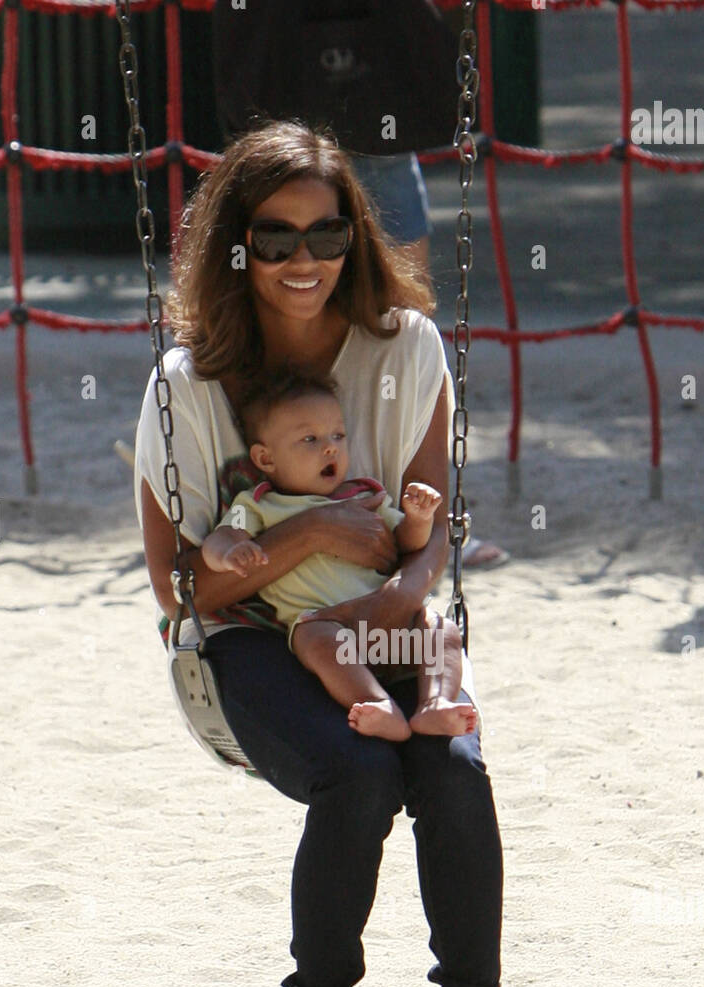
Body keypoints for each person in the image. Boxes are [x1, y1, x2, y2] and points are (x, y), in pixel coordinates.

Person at [134, 118, 513, 987]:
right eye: (275, 238)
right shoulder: (187, 385)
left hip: (380, 614)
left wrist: (393, 596)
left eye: (327, 234)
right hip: (252, 634)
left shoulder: (408, 349)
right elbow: (180, 593)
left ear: (355, 237)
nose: (304, 260)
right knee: (358, 770)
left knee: (452, 764)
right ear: (236, 248)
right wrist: (306, 541)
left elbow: (431, 527)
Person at [211, 0, 509, 568]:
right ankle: (266, 501)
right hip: (287, 55)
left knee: (396, 323)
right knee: (273, 282)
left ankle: (413, 511)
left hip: (373, 63)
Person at [201, 367, 478, 741]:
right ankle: (376, 702)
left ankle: (435, 702)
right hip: (329, 631)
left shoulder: (364, 497)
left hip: (389, 624)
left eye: (338, 435)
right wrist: (231, 553)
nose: (330, 447)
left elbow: (406, 544)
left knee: (439, 628)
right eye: (310, 439)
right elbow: (218, 540)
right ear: (266, 459)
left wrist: (417, 517)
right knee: (313, 636)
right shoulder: (257, 504)